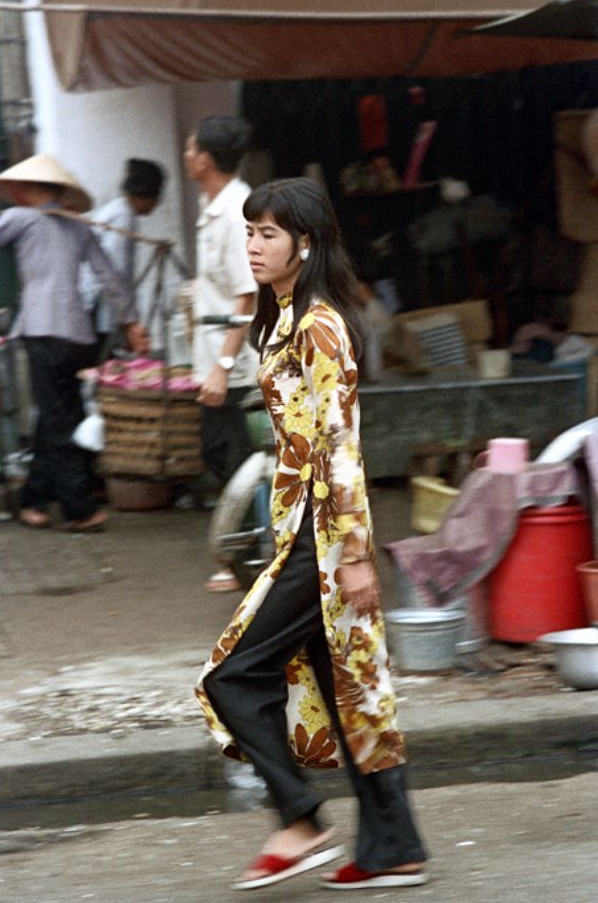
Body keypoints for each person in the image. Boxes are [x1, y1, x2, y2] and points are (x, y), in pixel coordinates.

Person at [196, 177, 427, 891]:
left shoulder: (319, 324)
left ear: (306, 242)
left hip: (323, 541)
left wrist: (353, 555)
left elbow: (339, 443)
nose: (253, 245)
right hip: (302, 529)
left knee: (231, 676)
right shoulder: (286, 318)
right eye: (249, 232)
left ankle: (299, 817)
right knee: (345, 683)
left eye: (267, 233)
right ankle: (394, 847)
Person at [0, 153, 149, 531]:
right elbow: (110, 276)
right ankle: (33, 500)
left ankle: (79, 509)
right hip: (77, 336)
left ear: (28, 189)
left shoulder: (20, 217)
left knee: (58, 419)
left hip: (43, 333)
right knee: (57, 414)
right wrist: (133, 323)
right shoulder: (78, 225)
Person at [183, 116, 258, 592]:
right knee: (218, 450)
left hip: (236, 362)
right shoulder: (211, 206)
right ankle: (248, 551)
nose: (187, 155)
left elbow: (246, 296)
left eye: (192, 149)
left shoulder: (236, 214)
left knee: (236, 458)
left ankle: (246, 558)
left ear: (206, 160)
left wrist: (224, 366)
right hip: (213, 355)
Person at [79, 158, 165, 354]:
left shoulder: (119, 210)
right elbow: (115, 273)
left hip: (100, 304)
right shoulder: (123, 217)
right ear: (148, 196)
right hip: (96, 306)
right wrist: (129, 324)